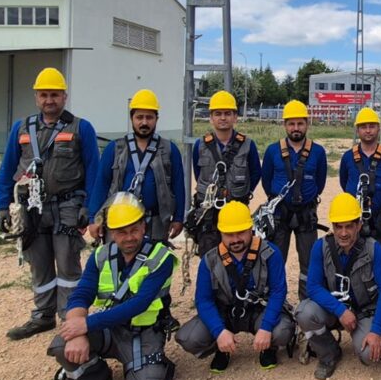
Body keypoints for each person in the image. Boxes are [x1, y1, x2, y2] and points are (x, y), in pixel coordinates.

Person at [48, 193, 178, 380]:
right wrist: (77, 329)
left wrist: (86, 324)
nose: (129, 237)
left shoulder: (160, 257)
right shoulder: (100, 256)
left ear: (144, 227)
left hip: (143, 333)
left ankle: (155, 368)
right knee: (62, 344)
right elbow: (82, 293)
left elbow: (139, 303)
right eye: (121, 232)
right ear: (110, 232)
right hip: (109, 329)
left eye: (134, 230)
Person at [0, 66, 100, 340]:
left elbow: (93, 170)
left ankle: (70, 318)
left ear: (64, 97)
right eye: (44, 95)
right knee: (38, 263)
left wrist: (90, 208)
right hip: (32, 209)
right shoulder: (22, 128)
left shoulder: (81, 128)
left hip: (68, 207)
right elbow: (7, 169)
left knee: (68, 265)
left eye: (54, 95)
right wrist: (1, 206)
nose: (49, 100)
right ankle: (42, 316)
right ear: (36, 97)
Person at [175, 201, 295, 372]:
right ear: (221, 233)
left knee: (282, 330)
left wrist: (266, 327)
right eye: (229, 234)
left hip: (258, 310)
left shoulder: (270, 253)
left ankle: (268, 347)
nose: (236, 239)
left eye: (241, 233)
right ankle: (221, 346)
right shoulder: (210, 260)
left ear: (251, 229)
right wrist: (219, 331)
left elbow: (278, 292)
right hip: (224, 312)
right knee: (189, 338)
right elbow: (203, 300)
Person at [294, 193, 381, 380]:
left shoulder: (373, 249)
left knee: (369, 356)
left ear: (358, 225)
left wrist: (376, 330)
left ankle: (379, 336)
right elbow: (313, 287)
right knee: (304, 313)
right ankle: (329, 354)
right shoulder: (321, 247)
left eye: (349, 226)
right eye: (338, 226)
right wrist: (340, 311)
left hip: (364, 311)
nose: (343, 232)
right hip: (335, 310)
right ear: (332, 227)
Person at [87, 89, 185, 243]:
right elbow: (101, 184)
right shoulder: (114, 149)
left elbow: (178, 186)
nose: (144, 122)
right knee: (118, 265)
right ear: (131, 118)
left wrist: (179, 217)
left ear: (156, 119)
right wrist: (94, 218)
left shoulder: (169, 150)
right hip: (120, 222)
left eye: (149, 117)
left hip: (156, 223)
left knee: (154, 265)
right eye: (139, 117)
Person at [261, 100, 329, 299]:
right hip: (279, 214)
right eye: (291, 124)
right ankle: (275, 302)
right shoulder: (273, 151)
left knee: (309, 261)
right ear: (285, 125)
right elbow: (266, 180)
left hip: (306, 214)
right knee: (275, 259)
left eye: (300, 123)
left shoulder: (318, 152)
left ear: (307, 124)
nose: (296, 128)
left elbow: (321, 181)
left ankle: (307, 302)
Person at [187, 90, 261, 254]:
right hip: (208, 215)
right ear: (211, 117)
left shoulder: (248, 145)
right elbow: (199, 174)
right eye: (218, 113)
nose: (223, 118)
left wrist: (241, 192)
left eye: (228, 113)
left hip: (237, 212)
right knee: (210, 258)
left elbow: (255, 173)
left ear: (235, 117)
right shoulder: (200, 145)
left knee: (239, 258)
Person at [338, 108, 381, 253]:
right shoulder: (348, 157)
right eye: (363, 127)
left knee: (379, 263)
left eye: (372, 126)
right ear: (357, 130)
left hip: (380, 222)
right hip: (353, 222)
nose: (368, 131)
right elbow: (344, 182)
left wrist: (378, 202)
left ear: (379, 128)